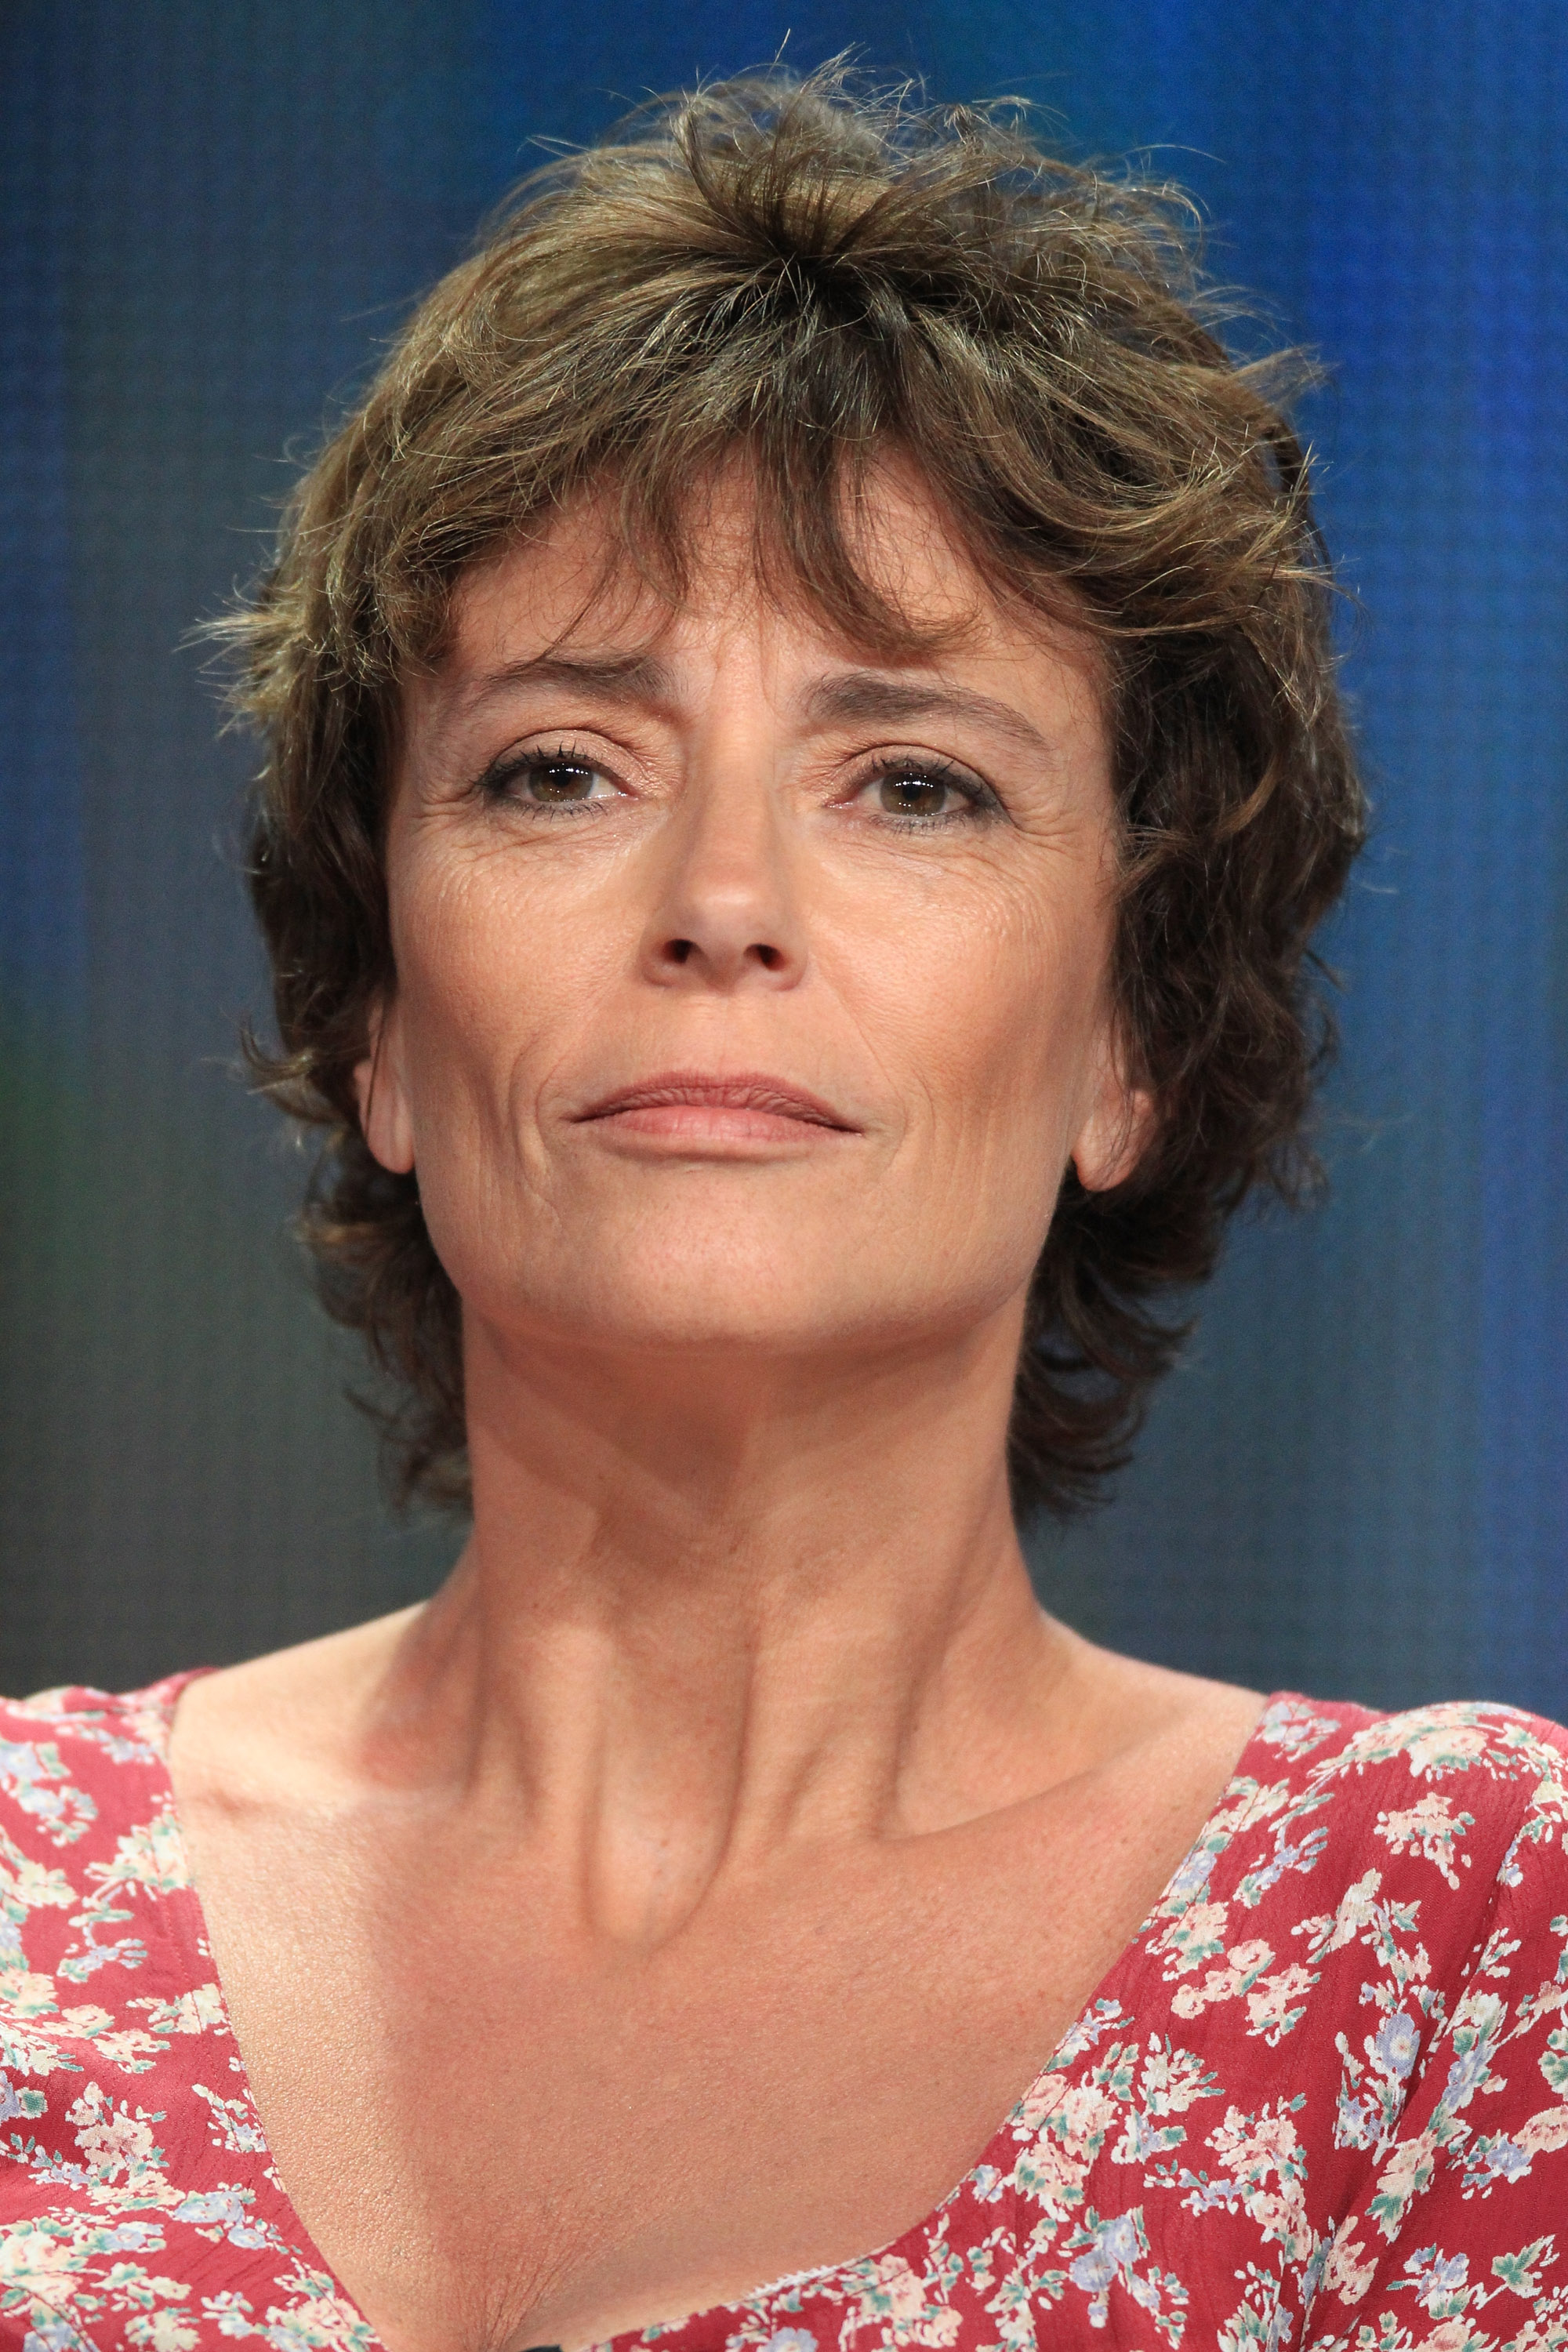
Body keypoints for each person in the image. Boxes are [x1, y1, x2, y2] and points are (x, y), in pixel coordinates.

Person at [2, 67, 1563, 2352]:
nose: (723, 902)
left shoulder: (1462, 1948)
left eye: (913, 783)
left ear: (1130, 1036)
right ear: (385, 1029)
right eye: (562, 771)